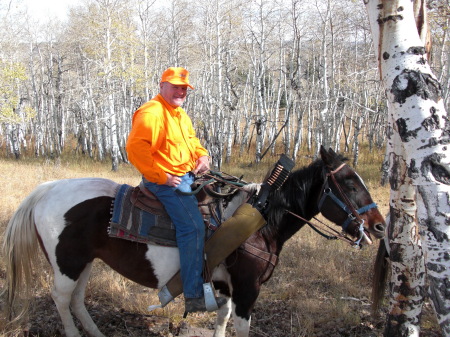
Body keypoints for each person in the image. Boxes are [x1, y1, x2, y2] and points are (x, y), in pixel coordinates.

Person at [126, 67, 226, 314]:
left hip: (188, 174)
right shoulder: (152, 113)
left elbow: (191, 141)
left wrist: (202, 155)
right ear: (162, 87)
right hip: (165, 181)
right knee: (192, 227)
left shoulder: (180, 114)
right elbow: (135, 149)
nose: (180, 92)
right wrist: (162, 176)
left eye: (184, 88)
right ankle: (193, 296)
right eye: (175, 87)